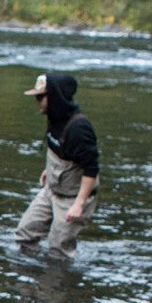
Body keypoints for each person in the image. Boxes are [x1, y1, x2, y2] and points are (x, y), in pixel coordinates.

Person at [14, 72, 100, 260]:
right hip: (51, 190)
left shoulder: (79, 129)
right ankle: (28, 271)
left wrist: (78, 205)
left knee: (58, 251)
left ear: (54, 97)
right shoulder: (55, 118)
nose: (37, 102)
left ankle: (58, 277)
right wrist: (50, 170)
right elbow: (61, 151)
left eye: (40, 97)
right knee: (24, 235)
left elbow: (91, 169)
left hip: (72, 198)